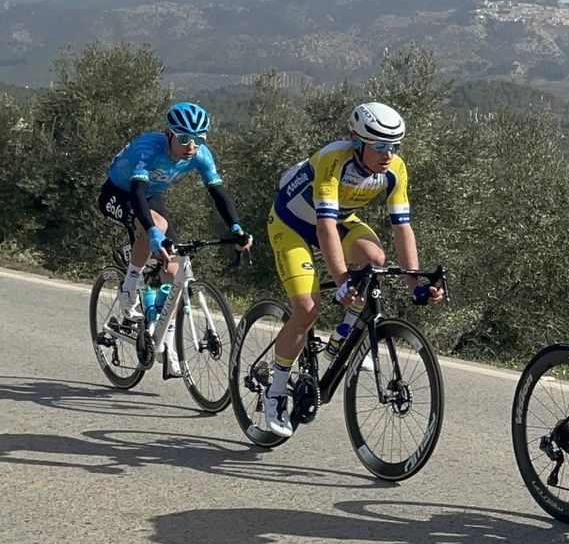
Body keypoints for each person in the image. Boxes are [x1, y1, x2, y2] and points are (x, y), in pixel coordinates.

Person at [254, 101, 443, 439]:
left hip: (339, 220)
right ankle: (276, 392)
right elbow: (324, 225)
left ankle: (339, 341)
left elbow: (402, 228)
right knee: (308, 309)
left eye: (394, 146)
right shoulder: (333, 160)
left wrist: (416, 282)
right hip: (292, 224)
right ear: (357, 142)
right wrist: (341, 280)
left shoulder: (395, 170)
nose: (388, 154)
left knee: (376, 260)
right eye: (380, 146)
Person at [98, 101, 252, 377]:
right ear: (168, 134)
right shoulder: (147, 148)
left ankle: (166, 347)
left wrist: (237, 229)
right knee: (156, 226)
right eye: (183, 138)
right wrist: (153, 234)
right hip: (120, 192)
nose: (191, 146)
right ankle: (130, 284)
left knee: (173, 269)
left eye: (198, 139)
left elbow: (219, 194)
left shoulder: (201, 155)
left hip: (150, 195)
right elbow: (137, 192)